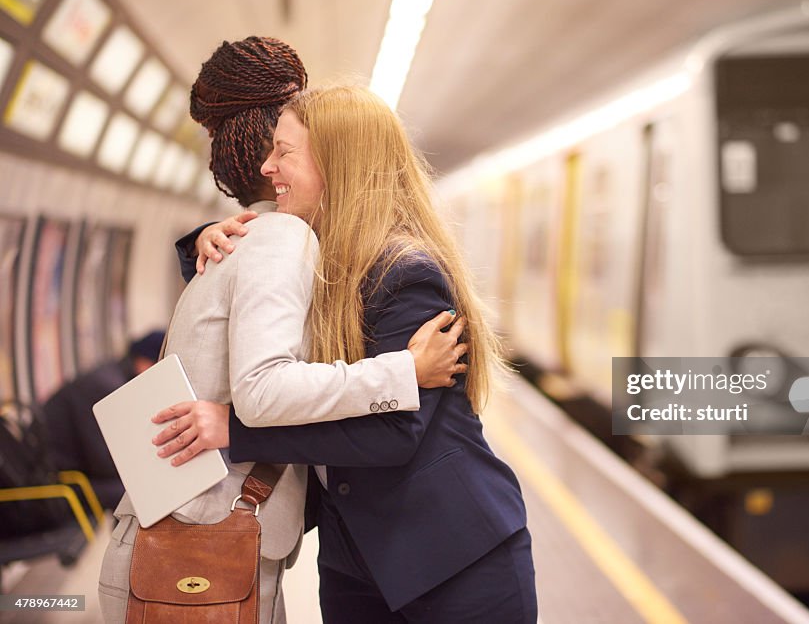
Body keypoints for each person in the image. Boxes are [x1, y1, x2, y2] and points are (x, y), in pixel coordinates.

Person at [97, 38, 467, 624]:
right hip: (204, 546)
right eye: (272, 149)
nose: (273, 166)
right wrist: (404, 370)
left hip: (187, 535)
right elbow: (265, 390)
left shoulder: (253, 241)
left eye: (285, 153)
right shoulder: (275, 238)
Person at [155, 84, 537, 623]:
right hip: (355, 557)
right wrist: (203, 239)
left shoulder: (406, 274)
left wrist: (234, 429)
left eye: (284, 152)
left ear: (339, 161)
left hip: (452, 557)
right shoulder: (321, 252)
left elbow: (394, 432)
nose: (268, 167)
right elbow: (243, 305)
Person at [42, 331, 165, 509]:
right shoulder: (107, 389)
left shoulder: (111, 378)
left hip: (75, 474)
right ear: (145, 362)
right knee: (139, 495)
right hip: (62, 482)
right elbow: (105, 462)